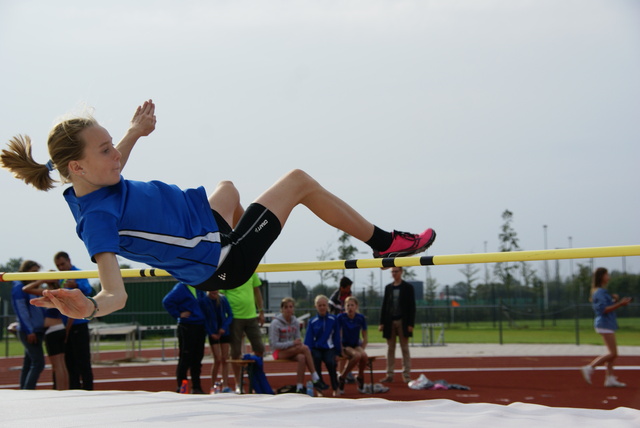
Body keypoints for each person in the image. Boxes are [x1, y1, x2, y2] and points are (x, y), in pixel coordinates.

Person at [0, 99, 436, 323]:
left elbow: (112, 174)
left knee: (227, 189)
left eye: (114, 144)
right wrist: (91, 308)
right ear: (77, 166)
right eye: (106, 149)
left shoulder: (91, 183)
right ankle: (385, 243)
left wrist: (134, 133)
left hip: (206, 231)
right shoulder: (96, 222)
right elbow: (116, 294)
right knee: (298, 181)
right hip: (221, 264)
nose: (116, 154)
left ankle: (244, 242)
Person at [581, 267, 632, 388]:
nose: (608, 277)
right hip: (604, 323)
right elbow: (603, 309)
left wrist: (614, 300)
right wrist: (620, 304)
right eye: (606, 275)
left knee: (612, 353)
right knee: (613, 353)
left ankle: (609, 378)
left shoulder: (601, 291)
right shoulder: (599, 292)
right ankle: (590, 367)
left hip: (607, 323)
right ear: (601, 277)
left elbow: (606, 306)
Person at [54, 251, 94, 390]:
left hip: (79, 324)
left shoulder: (79, 273)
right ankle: (74, 390)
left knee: (83, 361)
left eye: (63, 264)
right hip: (66, 325)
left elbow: (88, 290)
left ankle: (89, 390)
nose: (61, 267)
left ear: (69, 260)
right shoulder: (61, 277)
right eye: (58, 265)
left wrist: (76, 286)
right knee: (70, 362)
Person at [221, 273, 266, 392]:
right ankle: (238, 383)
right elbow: (221, 295)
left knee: (259, 348)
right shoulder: (227, 273)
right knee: (235, 352)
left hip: (251, 316)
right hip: (235, 317)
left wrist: (261, 311)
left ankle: (255, 378)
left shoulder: (251, 271)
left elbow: (257, 291)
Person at [269, 297, 325, 394]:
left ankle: (299, 387)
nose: (288, 309)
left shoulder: (295, 321)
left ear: (293, 309)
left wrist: (296, 344)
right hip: (278, 352)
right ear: (282, 309)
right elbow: (274, 344)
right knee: (305, 348)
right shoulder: (275, 323)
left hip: (292, 349)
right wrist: (292, 344)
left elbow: (298, 339)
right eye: (286, 307)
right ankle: (315, 378)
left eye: (291, 307)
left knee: (302, 357)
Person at [22, 278, 69, 390]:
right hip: (60, 328)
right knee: (61, 364)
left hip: (52, 331)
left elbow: (26, 289)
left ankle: (61, 390)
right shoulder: (61, 291)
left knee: (57, 365)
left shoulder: (49, 293)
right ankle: (65, 389)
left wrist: (40, 280)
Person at [162, 282, 208, 394]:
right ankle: (182, 386)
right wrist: (178, 313)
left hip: (200, 325)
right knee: (186, 357)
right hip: (187, 326)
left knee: (197, 357)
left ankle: (196, 387)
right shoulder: (181, 287)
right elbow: (167, 301)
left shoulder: (199, 287)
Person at [10, 260, 46, 390]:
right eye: (33, 272)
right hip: (29, 331)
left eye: (37, 272)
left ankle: (24, 391)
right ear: (25, 272)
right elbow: (21, 311)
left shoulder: (30, 286)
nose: (36, 275)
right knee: (38, 363)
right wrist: (29, 330)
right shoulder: (19, 287)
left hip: (36, 329)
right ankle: (28, 391)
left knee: (29, 363)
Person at [378, 267, 415, 383]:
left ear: (401, 272)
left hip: (403, 322)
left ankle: (406, 374)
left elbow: (412, 307)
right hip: (390, 322)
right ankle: (389, 374)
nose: (394, 274)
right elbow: (384, 306)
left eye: (396, 271)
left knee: (405, 348)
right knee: (390, 349)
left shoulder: (408, 288)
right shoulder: (388, 288)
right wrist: (382, 322)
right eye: (392, 272)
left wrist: (410, 324)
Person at [305, 295, 340, 396]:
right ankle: (319, 389)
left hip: (329, 348)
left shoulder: (333, 319)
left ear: (327, 306)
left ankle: (335, 387)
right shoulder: (312, 321)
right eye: (319, 305)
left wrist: (338, 352)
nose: (322, 307)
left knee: (331, 362)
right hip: (316, 348)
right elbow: (308, 339)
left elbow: (337, 336)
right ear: (316, 306)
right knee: (316, 360)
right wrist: (309, 352)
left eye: (324, 305)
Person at [199, 290, 233, 393]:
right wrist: (210, 332)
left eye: (216, 290)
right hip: (213, 332)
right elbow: (204, 318)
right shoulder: (204, 301)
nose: (214, 292)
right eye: (212, 291)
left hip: (224, 332)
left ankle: (225, 385)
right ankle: (213, 385)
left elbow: (230, 315)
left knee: (225, 358)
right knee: (217, 359)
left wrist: (224, 327)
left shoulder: (223, 299)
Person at [337, 296, 368, 394]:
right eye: (348, 305)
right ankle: (342, 377)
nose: (350, 307)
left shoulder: (360, 318)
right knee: (356, 355)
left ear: (356, 307)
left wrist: (362, 348)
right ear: (344, 307)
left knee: (364, 356)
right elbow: (338, 334)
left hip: (356, 344)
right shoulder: (341, 317)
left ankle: (360, 376)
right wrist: (341, 349)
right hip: (346, 345)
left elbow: (365, 337)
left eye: (352, 305)